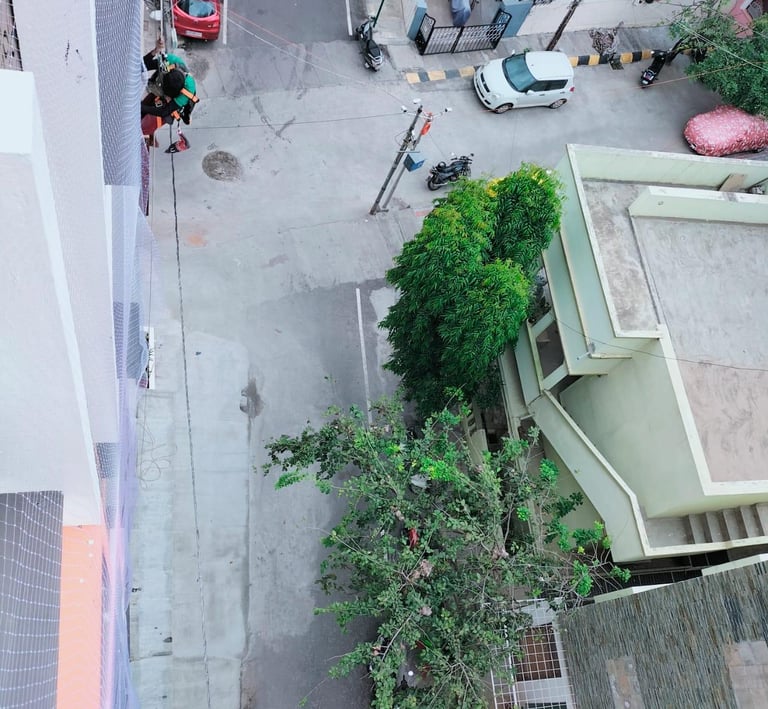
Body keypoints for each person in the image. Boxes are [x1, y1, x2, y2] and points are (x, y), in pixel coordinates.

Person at [141, 38, 198, 147]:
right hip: (158, 90)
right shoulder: (169, 62)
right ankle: (150, 134)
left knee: (144, 128)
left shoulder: (186, 93)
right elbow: (144, 65)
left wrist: (139, 107)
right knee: (143, 108)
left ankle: (147, 137)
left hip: (169, 108)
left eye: (169, 96)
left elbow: (164, 111)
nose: (167, 98)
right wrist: (156, 50)